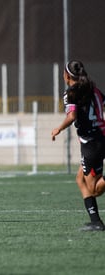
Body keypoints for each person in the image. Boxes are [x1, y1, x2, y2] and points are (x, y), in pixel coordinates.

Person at [51, 60, 105, 231]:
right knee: (80, 179)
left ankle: (96, 223)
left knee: (95, 189)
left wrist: (58, 129)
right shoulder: (94, 89)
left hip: (91, 143)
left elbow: (72, 115)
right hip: (101, 137)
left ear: (67, 76)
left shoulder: (71, 93)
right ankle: (96, 222)